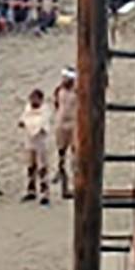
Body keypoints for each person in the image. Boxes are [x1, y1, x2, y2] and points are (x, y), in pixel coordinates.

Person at [52, 71, 77, 199]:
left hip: (73, 123)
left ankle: (75, 176)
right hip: (61, 123)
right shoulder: (59, 90)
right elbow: (56, 104)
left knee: (75, 151)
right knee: (61, 150)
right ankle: (61, 173)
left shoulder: (76, 91)